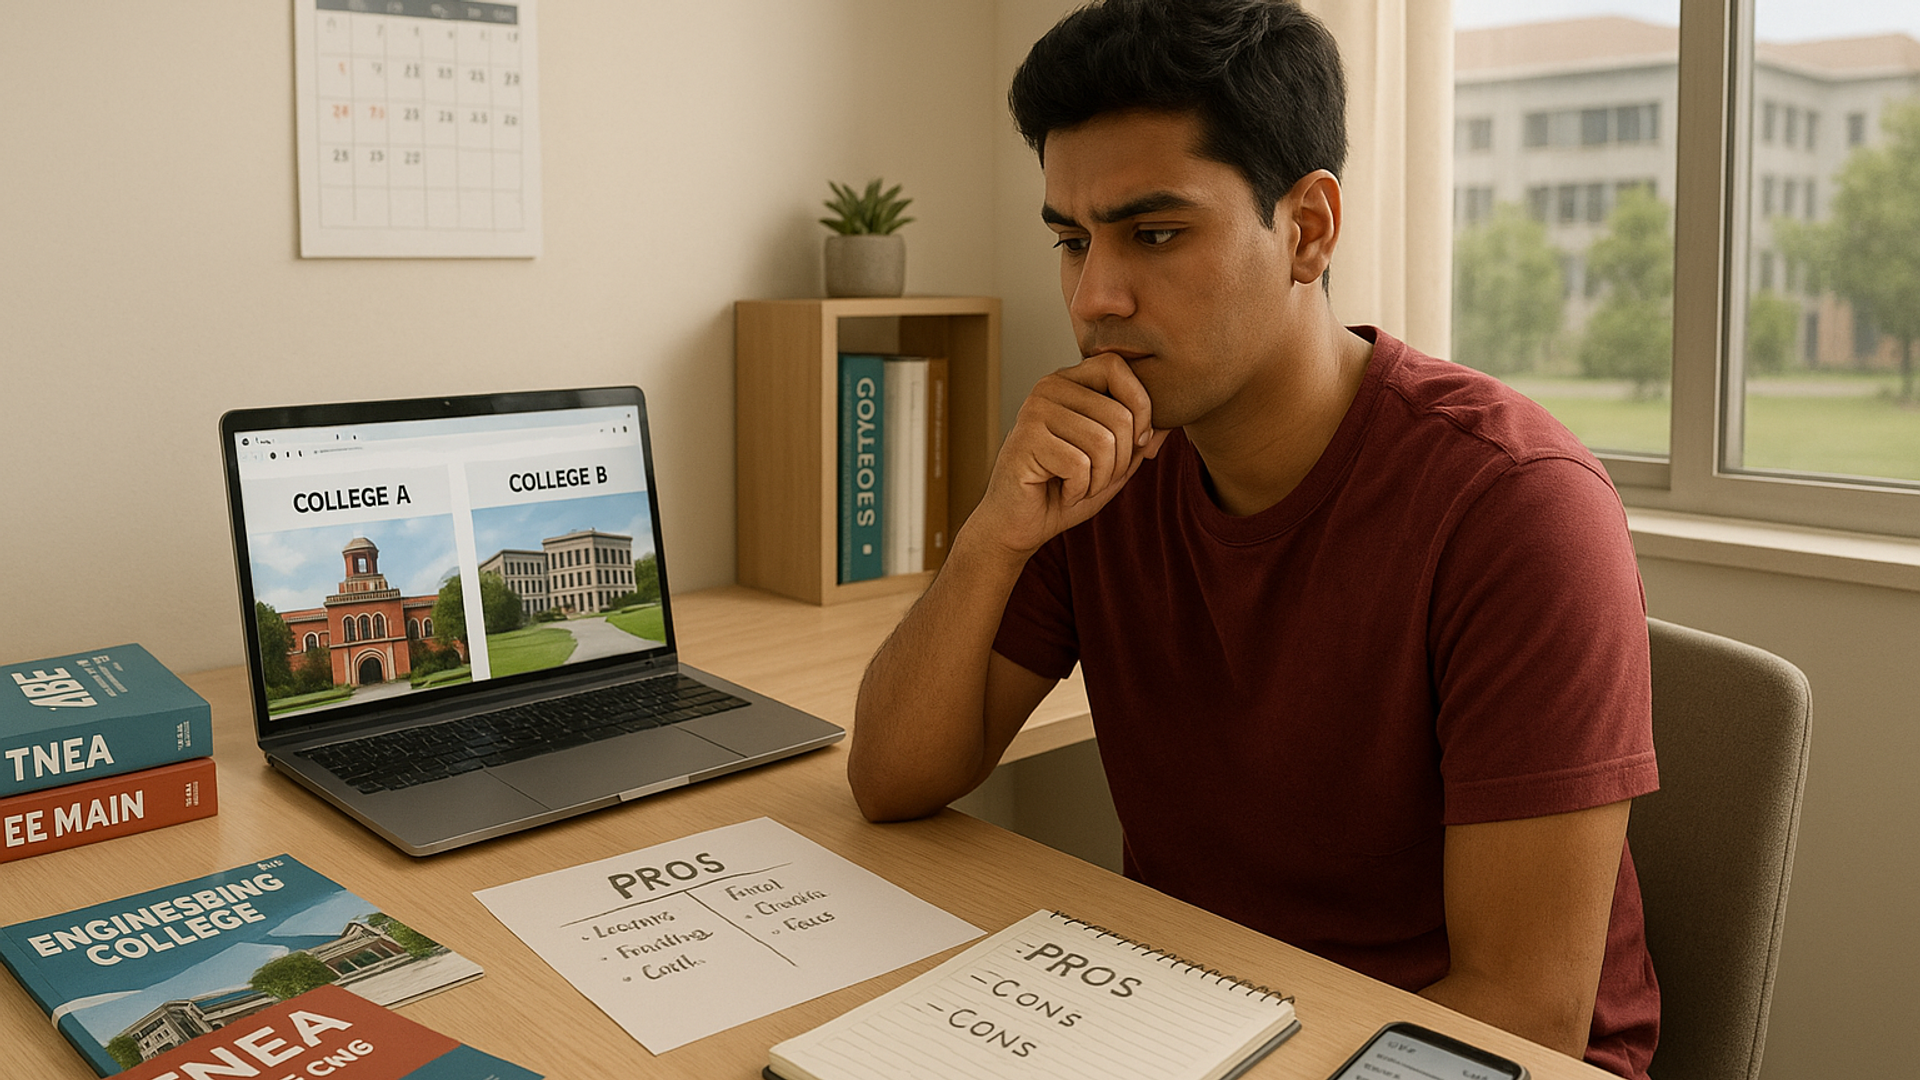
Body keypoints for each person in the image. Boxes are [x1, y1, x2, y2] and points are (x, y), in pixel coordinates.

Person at [846, 2, 1659, 1076]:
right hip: (1188, 1022)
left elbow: (1521, 1017)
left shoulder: (1518, 508)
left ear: (1308, 230)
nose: (1094, 298)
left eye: (1155, 233)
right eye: (1072, 241)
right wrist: (994, 535)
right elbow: (890, 781)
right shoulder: (1110, 466)